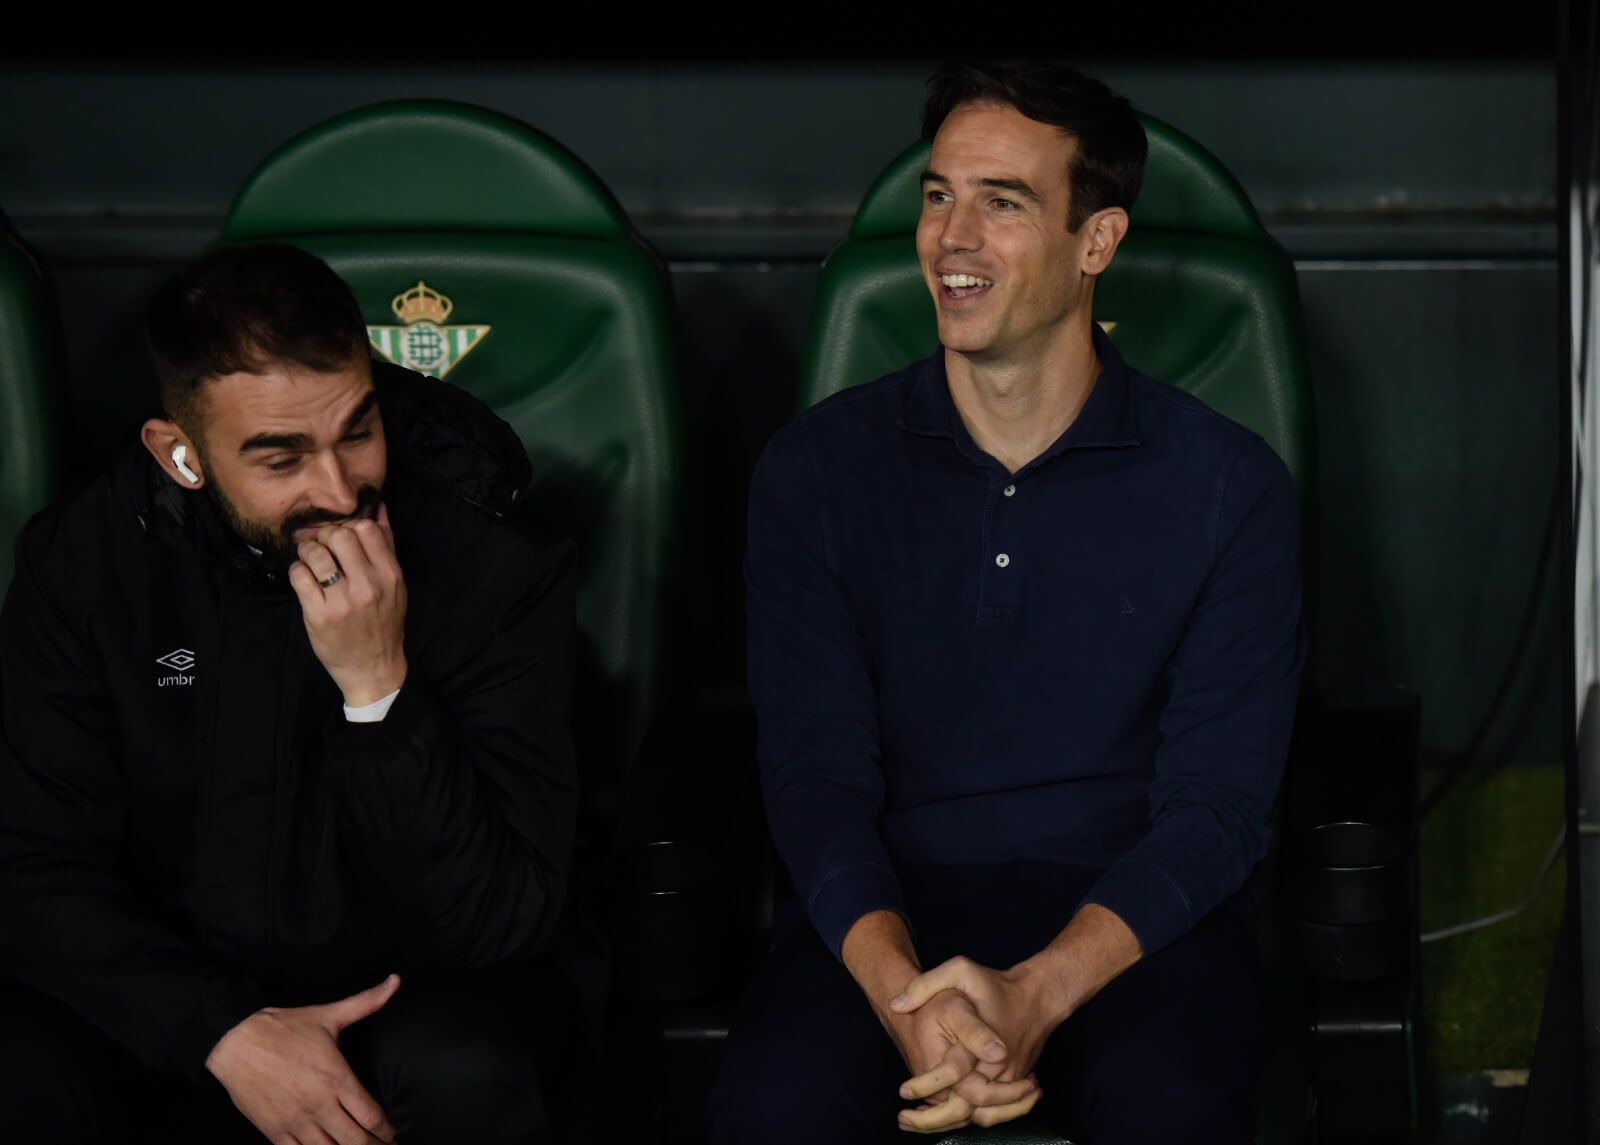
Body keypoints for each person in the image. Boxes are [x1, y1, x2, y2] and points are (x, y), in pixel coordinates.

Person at [711, 60, 1305, 1144]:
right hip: (885, 913)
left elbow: (1216, 809)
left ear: (1097, 243)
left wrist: (1034, 991)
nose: (953, 238)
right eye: (938, 195)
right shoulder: (815, 471)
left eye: (1004, 201)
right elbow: (814, 775)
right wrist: (907, 996)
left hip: (1132, 927)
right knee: (772, 1108)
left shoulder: (1228, 485)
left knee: (1169, 1105)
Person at [0, 243, 577, 1145]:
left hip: (403, 996)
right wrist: (221, 1031)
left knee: (469, 1068)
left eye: (357, 429)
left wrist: (377, 689)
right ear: (179, 451)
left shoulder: (491, 568)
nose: (339, 489)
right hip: (169, 995)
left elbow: (496, 921)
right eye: (281, 458)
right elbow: (31, 866)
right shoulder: (83, 563)